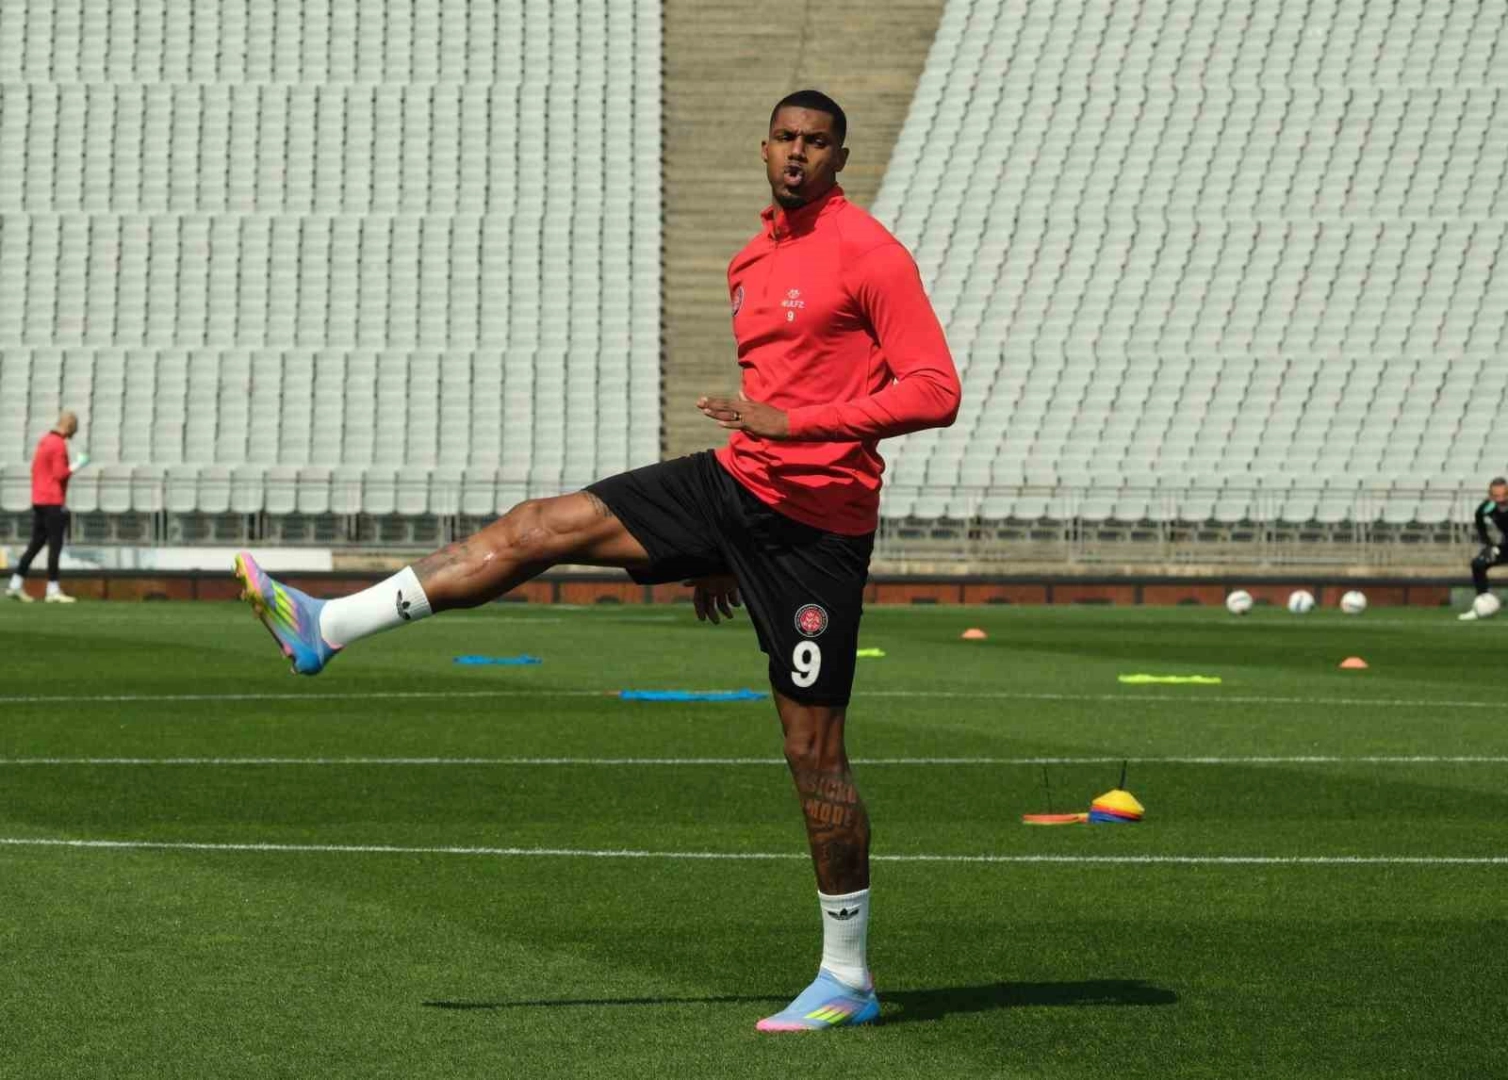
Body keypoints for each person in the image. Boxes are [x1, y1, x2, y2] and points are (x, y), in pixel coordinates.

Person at [233, 89, 960, 1031]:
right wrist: (717, 547)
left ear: (840, 158)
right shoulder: (750, 259)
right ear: (762, 146)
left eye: (816, 142)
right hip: (735, 486)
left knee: (811, 753)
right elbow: (767, 395)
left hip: (816, 530)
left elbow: (936, 390)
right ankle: (327, 625)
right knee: (539, 527)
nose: (797, 154)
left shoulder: (870, 252)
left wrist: (798, 425)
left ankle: (848, 979)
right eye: (784, 137)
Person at [6, 411, 87, 604]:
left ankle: (15, 584)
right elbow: (60, 474)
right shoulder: (58, 444)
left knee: (35, 544)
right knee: (55, 545)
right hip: (53, 501)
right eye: (74, 429)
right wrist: (78, 464)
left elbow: (37, 469)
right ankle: (53, 589)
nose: (74, 434)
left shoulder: (44, 441)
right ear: (69, 427)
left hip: (39, 499)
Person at [1459, 476, 1508, 620]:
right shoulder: (1487, 508)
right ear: (1490, 494)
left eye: (1504, 494)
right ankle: (1482, 605)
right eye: (1496, 495)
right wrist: (1488, 545)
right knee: (1478, 563)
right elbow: (1479, 520)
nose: (1500, 499)